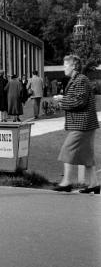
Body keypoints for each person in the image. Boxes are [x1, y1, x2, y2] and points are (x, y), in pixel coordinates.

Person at [52, 54, 99, 194]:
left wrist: (62, 99)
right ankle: (94, 184)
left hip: (82, 124)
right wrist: (63, 101)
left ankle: (67, 182)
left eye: (66, 65)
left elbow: (80, 101)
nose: (63, 68)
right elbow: (77, 100)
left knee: (67, 149)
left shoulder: (81, 80)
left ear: (74, 66)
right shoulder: (76, 79)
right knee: (86, 155)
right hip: (86, 124)